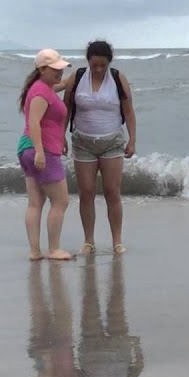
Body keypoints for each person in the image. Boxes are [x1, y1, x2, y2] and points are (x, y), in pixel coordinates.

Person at [58, 40, 138, 255]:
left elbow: (129, 111)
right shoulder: (78, 76)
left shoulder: (118, 78)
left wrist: (132, 139)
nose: (99, 69)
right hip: (83, 142)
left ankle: (117, 241)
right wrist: (60, 136)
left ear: (109, 62)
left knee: (113, 192)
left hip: (112, 142)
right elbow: (65, 107)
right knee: (86, 192)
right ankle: (89, 241)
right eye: (95, 65)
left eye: (103, 65)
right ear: (88, 62)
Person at [18, 49, 74, 261]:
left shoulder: (41, 88)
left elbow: (57, 87)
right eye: (55, 69)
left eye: (61, 68)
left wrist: (69, 81)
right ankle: (54, 249)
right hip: (40, 150)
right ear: (41, 69)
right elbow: (34, 122)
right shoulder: (41, 92)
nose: (59, 73)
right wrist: (41, 152)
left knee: (35, 202)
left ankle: (34, 251)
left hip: (26, 149)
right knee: (61, 201)